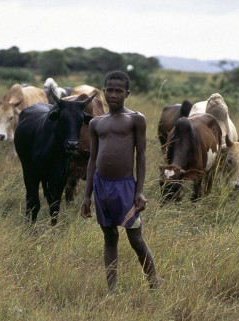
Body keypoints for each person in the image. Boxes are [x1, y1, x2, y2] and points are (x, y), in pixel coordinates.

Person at [81, 71, 158, 291]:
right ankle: (112, 290)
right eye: (109, 90)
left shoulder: (135, 119)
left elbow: (141, 155)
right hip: (101, 186)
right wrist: (87, 196)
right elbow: (92, 159)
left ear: (127, 93)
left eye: (118, 91)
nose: (113, 95)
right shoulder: (96, 123)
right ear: (103, 91)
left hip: (125, 186)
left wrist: (139, 190)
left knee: (135, 238)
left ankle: (154, 285)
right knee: (110, 236)